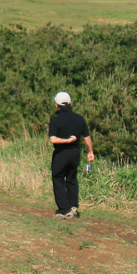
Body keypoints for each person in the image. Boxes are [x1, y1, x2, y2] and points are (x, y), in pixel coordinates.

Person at [48, 91, 94, 220]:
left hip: (61, 154)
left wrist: (67, 140)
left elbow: (53, 139)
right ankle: (73, 206)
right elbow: (87, 137)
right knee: (72, 179)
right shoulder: (79, 118)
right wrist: (90, 152)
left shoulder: (55, 120)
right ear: (70, 104)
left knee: (58, 179)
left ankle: (65, 209)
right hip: (75, 153)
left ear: (56, 106)